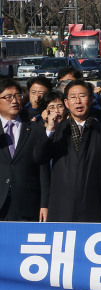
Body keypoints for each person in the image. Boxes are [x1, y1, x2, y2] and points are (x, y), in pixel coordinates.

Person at [35, 80, 101, 222]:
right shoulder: (56, 131)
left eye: (82, 96)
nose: (78, 102)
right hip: (61, 206)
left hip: (93, 206)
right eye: (73, 97)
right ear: (66, 102)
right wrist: (50, 130)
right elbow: (39, 157)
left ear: (92, 99)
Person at [0, 79, 49, 221]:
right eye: (8, 97)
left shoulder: (35, 129)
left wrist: (44, 204)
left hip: (27, 204)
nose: (14, 101)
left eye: (18, 95)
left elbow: (43, 168)